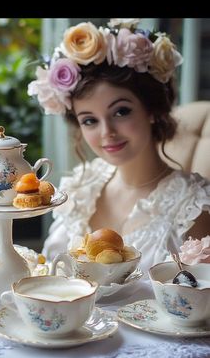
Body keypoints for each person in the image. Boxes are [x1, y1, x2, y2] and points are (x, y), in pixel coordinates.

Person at [28, 18, 210, 275]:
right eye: (89, 120)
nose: (107, 133)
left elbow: (198, 304)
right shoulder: (79, 188)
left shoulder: (193, 206)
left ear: (152, 110)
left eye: (121, 111)